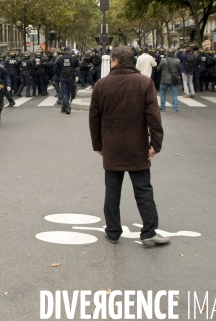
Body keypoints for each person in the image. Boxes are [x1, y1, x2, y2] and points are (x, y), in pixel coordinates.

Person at [88, 46, 168, 246]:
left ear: (114, 60)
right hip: (137, 144)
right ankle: (149, 231)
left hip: (111, 145)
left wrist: (98, 144)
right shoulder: (144, 83)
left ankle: (113, 231)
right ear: (131, 61)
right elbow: (154, 117)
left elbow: (94, 118)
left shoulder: (101, 85)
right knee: (143, 190)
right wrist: (155, 144)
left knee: (112, 191)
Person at [55, 46, 79, 114]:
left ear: (64, 51)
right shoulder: (73, 58)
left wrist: (58, 74)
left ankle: (66, 106)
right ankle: (65, 106)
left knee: (64, 92)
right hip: (71, 77)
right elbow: (77, 65)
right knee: (68, 91)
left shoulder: (60, 58)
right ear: (69, 51)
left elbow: (55, 69)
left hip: (62, 77)